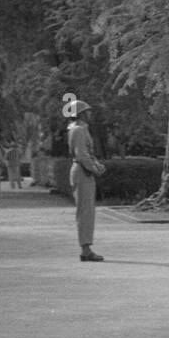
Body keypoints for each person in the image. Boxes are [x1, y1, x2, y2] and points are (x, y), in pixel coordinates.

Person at [66, 100, 106, 261]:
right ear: (81, 113)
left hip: (83, 171)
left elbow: (86, 153)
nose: (90, 114)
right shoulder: (79, 130)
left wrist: (97, 164)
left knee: (87, 211)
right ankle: (85, 248)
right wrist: (95, 169)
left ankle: (86, 247)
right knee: (85, 212)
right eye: (87, 112)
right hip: (82, 172)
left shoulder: (79, 129)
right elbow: (82, 155)